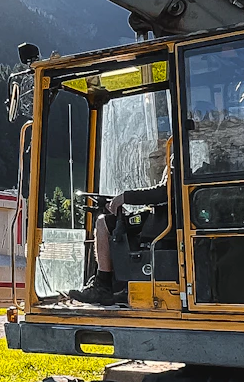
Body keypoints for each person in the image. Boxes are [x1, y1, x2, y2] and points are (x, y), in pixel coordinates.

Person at [68, 129, 173, 306]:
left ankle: (103, 285)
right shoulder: (181, 154)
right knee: (117, 222)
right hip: (164, 217)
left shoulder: (178, 156)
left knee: (104, 222)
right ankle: (121, 286)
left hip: (164, 221)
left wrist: (125, 197)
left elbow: (163, 193)